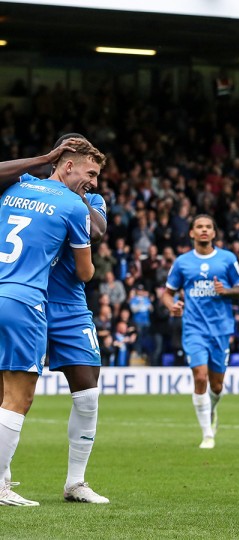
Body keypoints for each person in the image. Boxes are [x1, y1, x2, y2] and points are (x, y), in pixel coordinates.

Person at [2, 135, 111, 504]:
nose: (94, 182)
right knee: (10, 393)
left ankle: (75, 483)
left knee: (88, 394)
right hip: (28, 298)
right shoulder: (25, 183)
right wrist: (45, 164)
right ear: (65, 163)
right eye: (89, 173)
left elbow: (97, 231)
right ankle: (3, 477)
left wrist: (76, 191)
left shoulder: (89, 200)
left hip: (67, 306)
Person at [162, 215, 239, 450]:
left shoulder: (227, 259)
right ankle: (207, 433)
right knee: (200, 377)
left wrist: (226, 291)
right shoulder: (182, 262)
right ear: (191, 233)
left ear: (213, 233)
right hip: (194, 328)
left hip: (220, 329)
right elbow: (167, 292)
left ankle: (212, 408)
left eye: (208, 227)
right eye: (199, 227)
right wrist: (172, 306)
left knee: (217, 385)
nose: (204, 230)